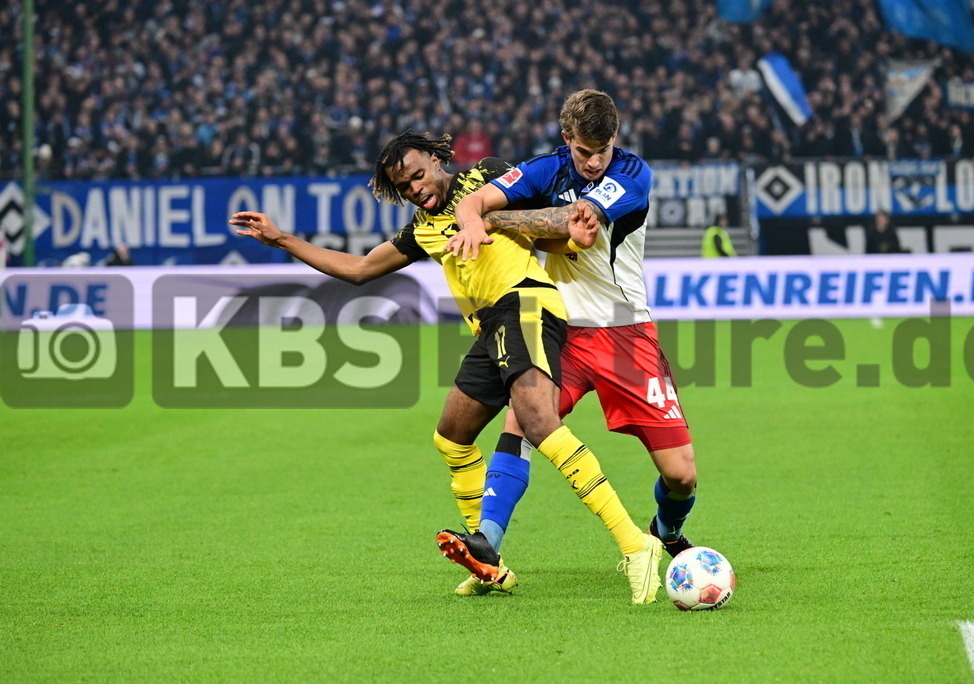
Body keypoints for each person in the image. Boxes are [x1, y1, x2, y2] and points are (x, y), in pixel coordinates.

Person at [230, 131, 663, 604]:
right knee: (452, 435)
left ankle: (635, 544)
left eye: (419, 174)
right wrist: (283, 239)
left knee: (539, 422)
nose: (416, 188)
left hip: (525, 304)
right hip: (490, 326)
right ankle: (486, 559)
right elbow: (358, 270)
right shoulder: (422, 229)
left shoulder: (487, 178)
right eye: (405, 186)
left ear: (439, 160)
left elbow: (550, 214)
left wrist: (560, 231)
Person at [448, 90, 699, 596]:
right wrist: (475, 217)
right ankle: (486, 547)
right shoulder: (545, 169)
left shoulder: (633, 174)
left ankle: (665, 532)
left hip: (627, 333)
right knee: (521, 422)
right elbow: (472, 201)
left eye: (602, 150)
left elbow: (577, 226)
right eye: (584, 152)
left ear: (615, 140)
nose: (594, 161)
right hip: (559, 328)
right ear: (568, 141)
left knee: (682, 476)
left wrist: (495, 220)